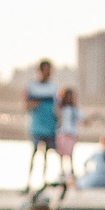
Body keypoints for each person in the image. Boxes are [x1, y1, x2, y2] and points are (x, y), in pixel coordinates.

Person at [24, 58, 61, 186]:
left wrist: (58, 121)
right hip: (36, 126)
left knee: (47, 156)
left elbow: (58, 107)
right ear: (40, 70)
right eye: (45, 69)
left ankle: (43, 182)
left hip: (50, 126)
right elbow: (25, 106)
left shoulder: (54, 88)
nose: (48, 72)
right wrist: (35, 103)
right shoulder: (31, 87)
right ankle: (29, 183)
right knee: (34, 154)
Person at [54, 87, 82, 179]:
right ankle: (62, 171)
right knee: (61, 153)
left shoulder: (74, 109)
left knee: (70, 153)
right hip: (62, 132)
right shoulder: (60, 108)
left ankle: (71, 171)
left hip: (71, 134)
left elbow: (83, 119)